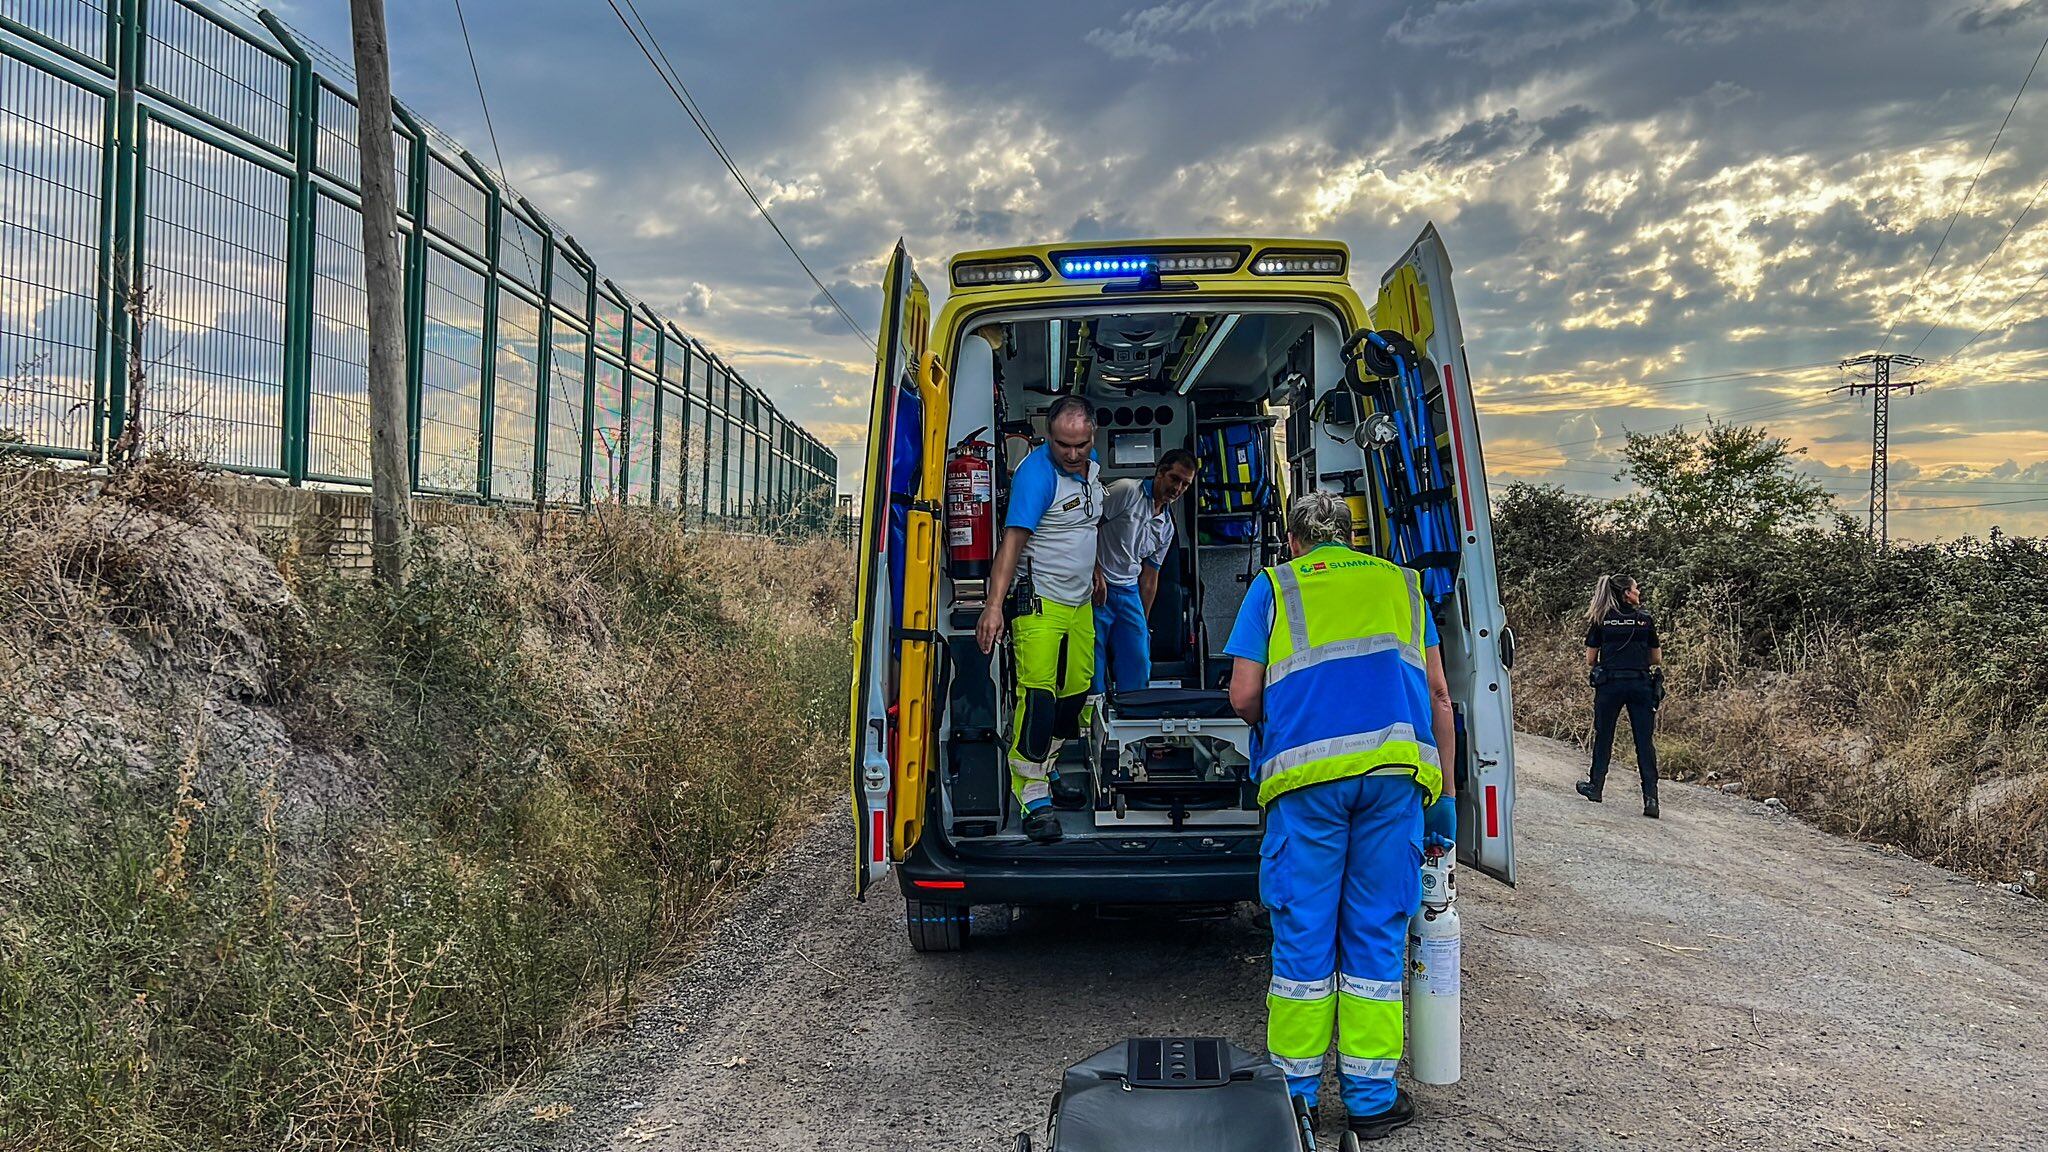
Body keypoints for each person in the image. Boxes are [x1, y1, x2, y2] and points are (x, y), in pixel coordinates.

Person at [1224, 491, 1456, 1141]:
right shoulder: (1404, 587)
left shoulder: (1275, 587)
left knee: (1304, 938)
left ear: (1293, 542)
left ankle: (1294, 1103)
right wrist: (1446, 796)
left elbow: (1244, 694)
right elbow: (1440, 694)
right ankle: (1371, 1100)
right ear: (1353, 538)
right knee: (1376, 932)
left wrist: (1283, 720)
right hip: (1394, 783)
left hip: (1308, 785)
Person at [976, 395, 1103, 844]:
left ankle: (1045, 771)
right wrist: (994, 605)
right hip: (1041, 604)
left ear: (1092, 437)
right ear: (1049, 436)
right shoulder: (1036, 474)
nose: (1072, 453)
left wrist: (1096, 572)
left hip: (1080, 603)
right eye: (1063, 445)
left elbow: (1084, 526)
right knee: (1040, 699)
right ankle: (1031, 793)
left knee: (1075, 699)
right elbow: (1012, 543)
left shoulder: (1091, 466)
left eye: (1081, 445)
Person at [1091, 449, 1198, 695]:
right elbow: (1087, 525)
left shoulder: (1167, 526)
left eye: (1185, 484)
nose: (1178, 488)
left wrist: (1142, 619)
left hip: (1128, 592)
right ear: (1160, 472)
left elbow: (1150, 578)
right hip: (1099, 586)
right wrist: (1094, 570)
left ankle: (1133, 717)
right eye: (1174, 479)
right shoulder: (1127, 491)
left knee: (1138, 659)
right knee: (1092, 661)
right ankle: (1092, 721)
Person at [1576, 574, 1664, 818]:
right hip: (1640, 684)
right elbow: (1656, 658)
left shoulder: (1601, 620)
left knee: (1604, 736)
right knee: (1644, 742)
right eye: (1636, 588)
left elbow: (1591, 660)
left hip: (1610, 685)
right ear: (1626, 593)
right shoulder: (1645, 620)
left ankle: (1595, 787)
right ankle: (1651, 799)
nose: (1639, 591)